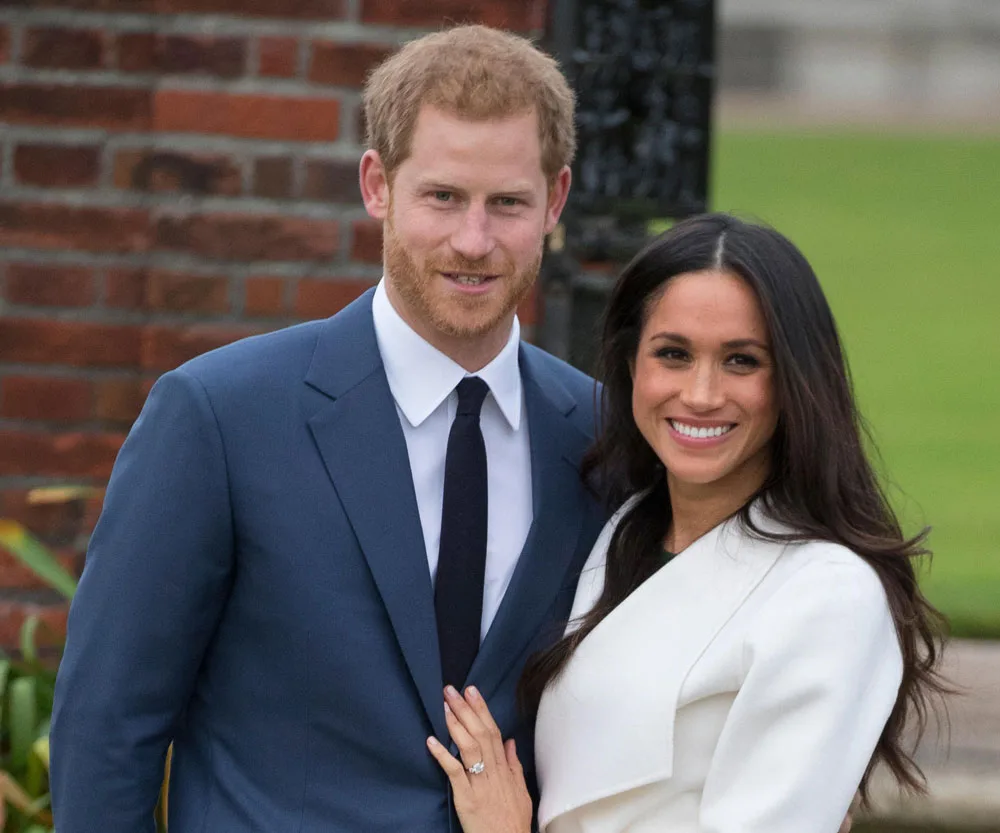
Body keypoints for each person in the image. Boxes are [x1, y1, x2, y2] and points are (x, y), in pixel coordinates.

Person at [49, 25, 609, 832]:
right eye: (443, 196)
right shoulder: (219, 416)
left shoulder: (598, 437)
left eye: (508, 203)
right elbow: (108, 725)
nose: (474, 241)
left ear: (554, 200)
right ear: (377, 184)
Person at [427, 213, 947, 833]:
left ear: (794, 383)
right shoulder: (617, 530)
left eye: (741, 361)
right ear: (630, 365)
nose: (701, 394)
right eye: (673, 354)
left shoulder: (829, 595)